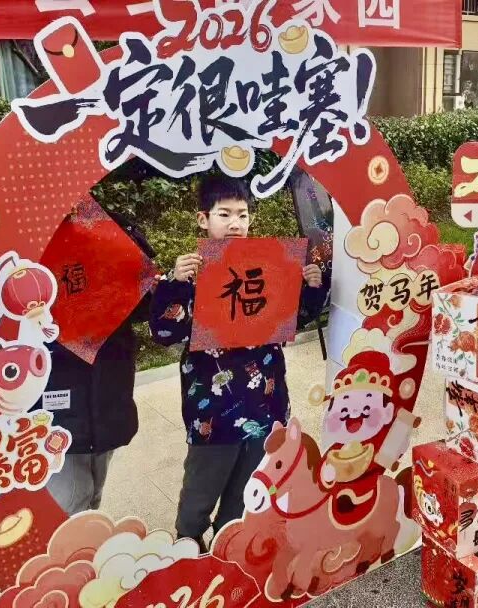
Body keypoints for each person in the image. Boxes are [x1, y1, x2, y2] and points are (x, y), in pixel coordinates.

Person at [149, 175, 327, 548]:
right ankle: (187, 547)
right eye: (224, 214)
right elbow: (165, 332)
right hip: (212, 414)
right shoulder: (191, 275)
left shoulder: (267, 266)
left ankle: (229, 549)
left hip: (264, 403)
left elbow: (293, 319)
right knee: (200, 490)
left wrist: (312, 287)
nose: (235, 223)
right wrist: (174, 284)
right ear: (203, 219)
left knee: (248, 492)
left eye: (242, 215)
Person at [40, 210, 155, 514]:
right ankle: (73, 541)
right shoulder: (24, 243)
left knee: (93, 490)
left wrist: (128, 245)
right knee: (70, 498)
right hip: (56, 394)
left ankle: (87, 536)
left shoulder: (108, 227)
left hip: (108, 390)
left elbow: (144, 304)